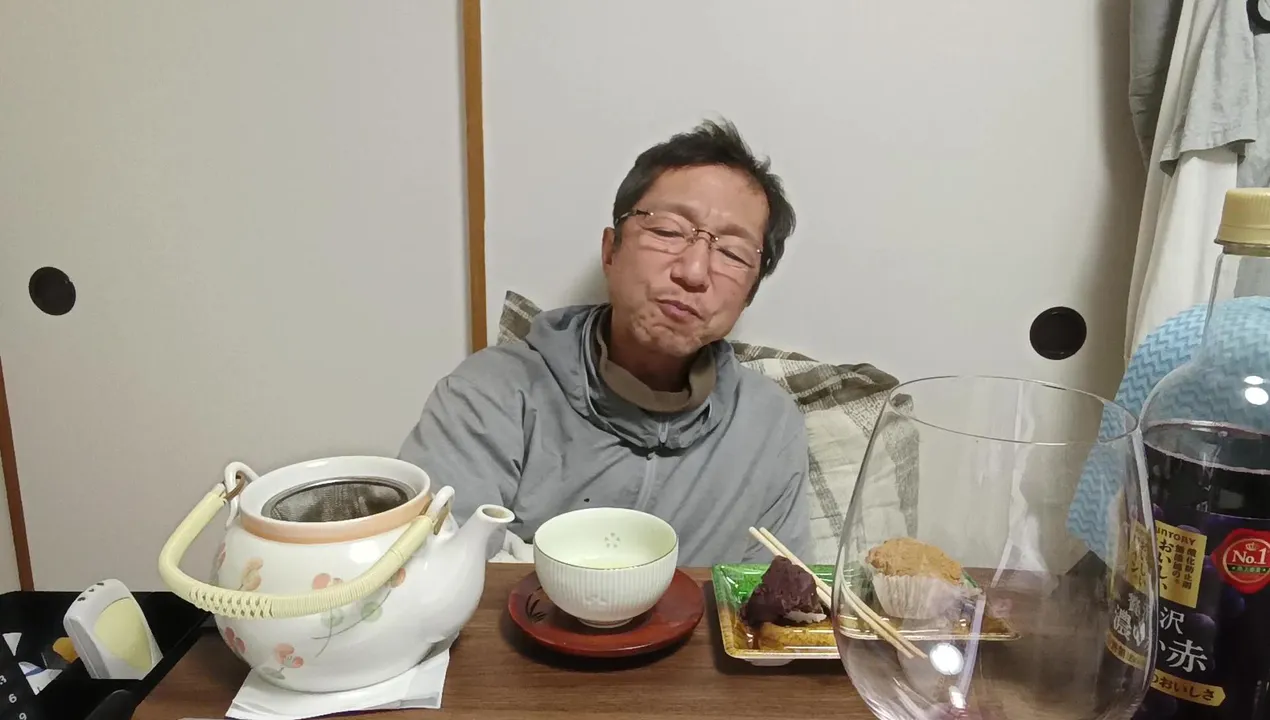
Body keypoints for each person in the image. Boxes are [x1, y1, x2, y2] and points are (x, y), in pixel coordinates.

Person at [398, 118, 809, 565]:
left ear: (749, 295)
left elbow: (774, 596)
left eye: (731, 253)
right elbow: (431, 569)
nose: (693, 272)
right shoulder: (491, 394)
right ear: (611, 250)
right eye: (668, 230)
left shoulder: (768, 426)